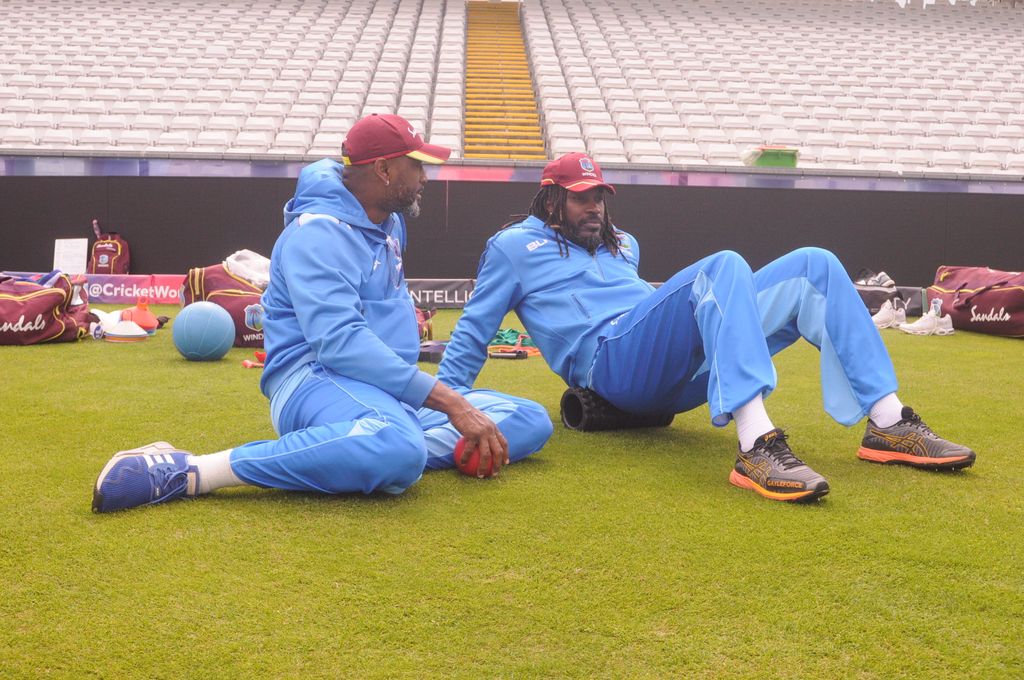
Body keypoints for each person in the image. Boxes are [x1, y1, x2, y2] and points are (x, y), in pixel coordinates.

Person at [437, 152, 976, 503]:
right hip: (610, 368)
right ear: (551, 198)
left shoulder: (623, 245)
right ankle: (757, 446)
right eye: (581, 197)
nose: (595, 207)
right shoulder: (513, 247)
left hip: (670, 369)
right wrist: (449, 405)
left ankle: (888, 422)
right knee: (723, 265)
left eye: (599, 195)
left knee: (816, 261)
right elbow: (473, 329)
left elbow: (648, 306)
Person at [92, 114, 553, 513]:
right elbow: (340, 344)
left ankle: (374, 442)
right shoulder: (316, 234)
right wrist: (450, 403)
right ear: (385, 168)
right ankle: (194, 470)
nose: (426, 177)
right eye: (418, 166)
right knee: (400, 449)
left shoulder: (388, 223)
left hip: (384, 391)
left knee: (529, 420)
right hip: (312, 379)